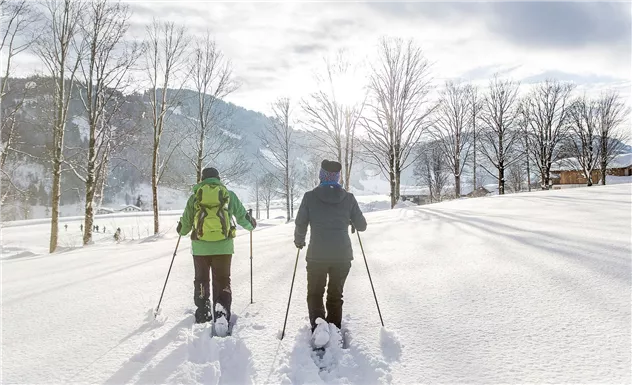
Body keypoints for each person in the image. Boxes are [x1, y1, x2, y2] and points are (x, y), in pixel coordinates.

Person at [294, 159, 367, 345]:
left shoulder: (310, 197)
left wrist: (299, 240)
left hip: (317, 255)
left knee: (315, 293)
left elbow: (301, 222)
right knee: (336, 294)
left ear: (321, 175)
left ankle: (319, 326)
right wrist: (349, 220)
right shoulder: (348, 198)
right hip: (342, 255)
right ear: (337, 177)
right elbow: (362, 226)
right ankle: (334, 328)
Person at [177, 167, 256, 335]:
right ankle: (221, 313)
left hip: (200, 248)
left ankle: (203, 311)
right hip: (224, 247)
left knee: (201, 279)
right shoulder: (228, 195)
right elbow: (242, 217)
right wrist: (251, 224)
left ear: (203, 179)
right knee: (222, 280)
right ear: (218, 179)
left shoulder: (195, 197)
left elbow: (185, 227)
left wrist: (180, 228)